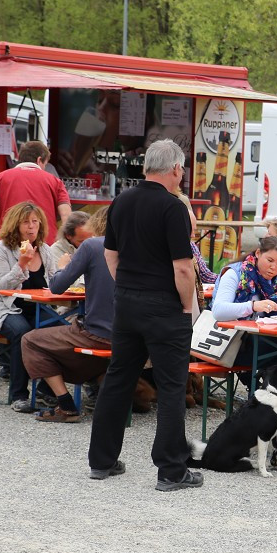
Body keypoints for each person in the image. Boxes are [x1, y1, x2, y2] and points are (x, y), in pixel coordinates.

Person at [88, 139, 200, 491]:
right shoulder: (173, 208)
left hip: (127, 303)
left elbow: (110, 255)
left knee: (119, 376)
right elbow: (183, 268)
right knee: (170, 386)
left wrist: (127, 287)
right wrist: (185, 307)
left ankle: (101, 460)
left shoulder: (121, 201)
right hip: (164, 305)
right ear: (176, 169)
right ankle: (170, 469)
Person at [210, 235, 277, 452]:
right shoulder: (234, 273)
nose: (274, 268)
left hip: (263, 342)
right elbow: (218, 311)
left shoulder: (276, 282)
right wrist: (252, 307)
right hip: (234, 344)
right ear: (257, 254)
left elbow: (276, 315)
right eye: (270, 261)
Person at [21, 209, 113, 423]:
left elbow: (57, 286)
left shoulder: (93, 246)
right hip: (136, 337)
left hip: (98, 334)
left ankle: (65, 404)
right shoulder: (144, 248)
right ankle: (98, 391)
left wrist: (61, 267)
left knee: (31, 340)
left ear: (98, 223)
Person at [0, 202, 59, 412]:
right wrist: (21, 264)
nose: (31, 227)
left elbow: (53, 283)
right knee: (23, 333)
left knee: (64, 331)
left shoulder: (46, 251)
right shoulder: (1, 249)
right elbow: (0, 287)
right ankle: (19, 395)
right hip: (4, 308)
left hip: (38, 308)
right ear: (15, 224)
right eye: (25, 222)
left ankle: (46, 390)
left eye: (35, 222)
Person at [0, 141, 72, 245]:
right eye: (45, 164)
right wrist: (61, 243)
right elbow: (66, 215)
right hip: (45, 244)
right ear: (39, 160)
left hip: (8, 244)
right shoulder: (55, 181)